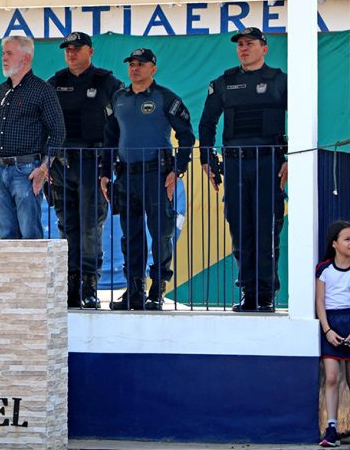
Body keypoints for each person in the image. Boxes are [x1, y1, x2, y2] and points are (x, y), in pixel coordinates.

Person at [198, 27, 287, 312]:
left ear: (265, 48)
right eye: (240, 45)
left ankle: (266, 295)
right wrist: (206, 159)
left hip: (269, 163)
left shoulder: (280, 80)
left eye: (250, 43)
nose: (244, 48)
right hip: (235, 164)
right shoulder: (224, 82)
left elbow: (301, 115)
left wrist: (291, 158)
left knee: (267, 230)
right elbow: (207, 122)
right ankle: (249, 293)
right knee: (240, 230)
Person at [99, 48, 194, 310]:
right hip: (126, 177)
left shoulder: (165, 97)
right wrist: (105, 173)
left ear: (153, 68)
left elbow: (186, 135)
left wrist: (178, 169)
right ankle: (135, 290)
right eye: (131, 64)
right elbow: (109, 138)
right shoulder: (118, 98)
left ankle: (157, 289)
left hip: (157, 177)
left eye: (141, 64)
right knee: (131, 236)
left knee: (161, 234)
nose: (135, 68)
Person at [48, 32, 123, 309]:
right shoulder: (54, 83)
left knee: (91, 226)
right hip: (61, 165)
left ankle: (90, 284)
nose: (71, 53)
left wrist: (112, 163)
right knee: (67, 226)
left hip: (94, 163)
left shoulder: (107, 82)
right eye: (67, 49)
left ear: (90, 51)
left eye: (76, 48)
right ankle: (70, 285)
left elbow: (121, 121)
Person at [0, 35, 65, 239]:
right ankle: (11, 264)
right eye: (3, 53)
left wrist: (44, 168)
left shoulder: (42, 90)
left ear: (26, 58)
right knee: (6, 233)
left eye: (9, 53)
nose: (3, 58)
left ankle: (34, 264)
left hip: (27, 170)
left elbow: (58, 130)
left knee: (30, 233)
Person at [316, 220, 350, 447]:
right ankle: (331, 428)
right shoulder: (324, 269)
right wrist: (327, 330)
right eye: (347, 239)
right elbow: (319, 301)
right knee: (331, 377)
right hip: (331, 324)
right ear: (334, 244)